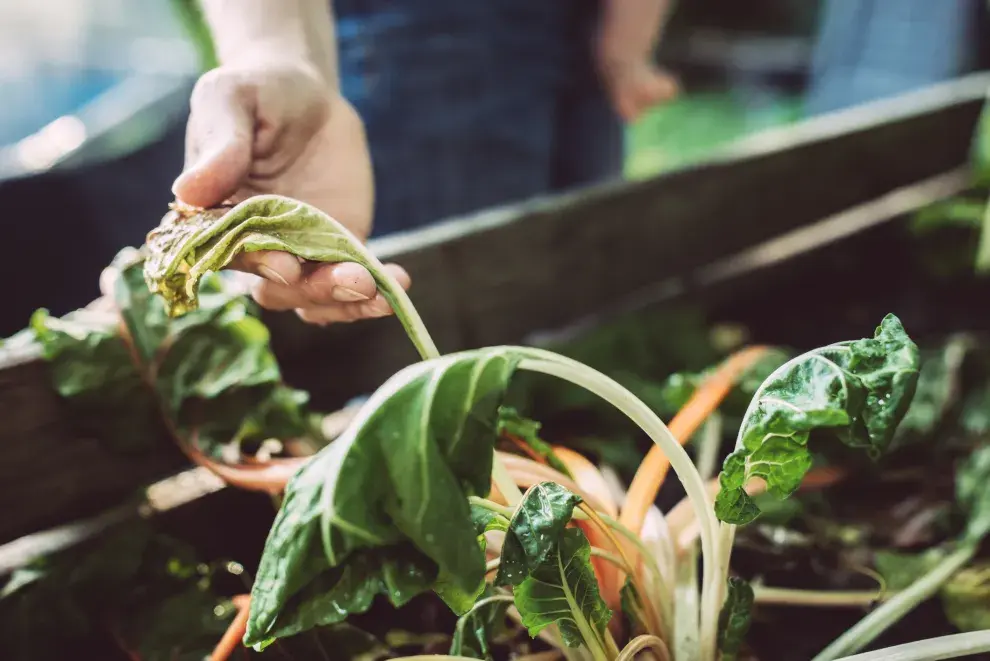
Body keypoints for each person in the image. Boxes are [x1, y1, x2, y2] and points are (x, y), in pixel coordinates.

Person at [171, 0, 677, 327]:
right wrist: (276, 52)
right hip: (422, 32)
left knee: (581, 307)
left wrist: (628, 36)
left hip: (581, 23)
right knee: (451, 340)